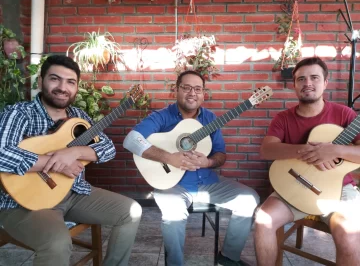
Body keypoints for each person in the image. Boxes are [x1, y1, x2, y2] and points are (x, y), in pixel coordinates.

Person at [0, 55, 142, 266]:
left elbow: (107, 148)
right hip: (24, 203)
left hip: (74, 193)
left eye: (70, 82)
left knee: (131, 212)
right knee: (57, 244)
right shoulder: (20, 114)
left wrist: (74, 153)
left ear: (76, 87)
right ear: (40, 82)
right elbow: (2, 154)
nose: (62, 87)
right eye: (54, 79)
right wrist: (55, 161)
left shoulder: (78, 116)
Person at [123, 70, 260, 266]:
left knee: (249, 199)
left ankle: (229, 257)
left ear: (204, 93)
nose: (192, 93)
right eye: (186, 87)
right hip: (171, 185)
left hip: (208, 182)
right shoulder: (161, 117)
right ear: (176, 90)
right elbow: (131, 140)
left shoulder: (211, 119)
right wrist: (169, 157)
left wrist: (209, 162)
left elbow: (221, 154)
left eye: (197, 89)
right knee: (174, 215)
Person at [254, 57, 360, 265]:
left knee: (350, 235)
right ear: (294, 85)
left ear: (325, 82)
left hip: (339, 190)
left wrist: (333, 150)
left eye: (314, 77)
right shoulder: (283, 118)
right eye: (301, 79)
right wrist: (304, 150)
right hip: (297, 184)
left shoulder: (344, 114)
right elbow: (267, 150)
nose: (307, 83)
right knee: (263, 220)